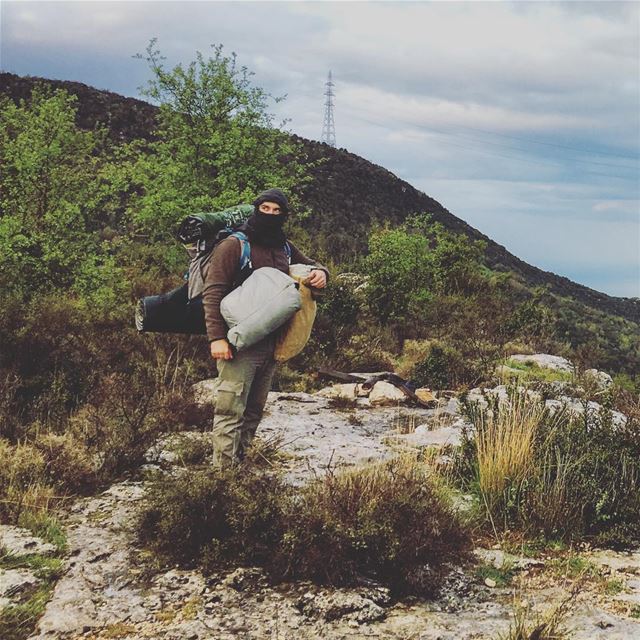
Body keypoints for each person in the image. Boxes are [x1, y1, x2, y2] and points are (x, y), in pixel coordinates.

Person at [202, 188, 328, 467]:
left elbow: (312, 265)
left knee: (254, 410)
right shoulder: (234, 245)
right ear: (256, 209)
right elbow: (213, 292)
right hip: (238, 342)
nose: (270, 214)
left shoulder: (282, 245)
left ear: (284, 215)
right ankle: (222, 477)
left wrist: (321, 274)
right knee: (230, 409)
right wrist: (216, 339)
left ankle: (241, 466)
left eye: (277, 211)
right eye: (265, 209)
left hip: (272, 342)